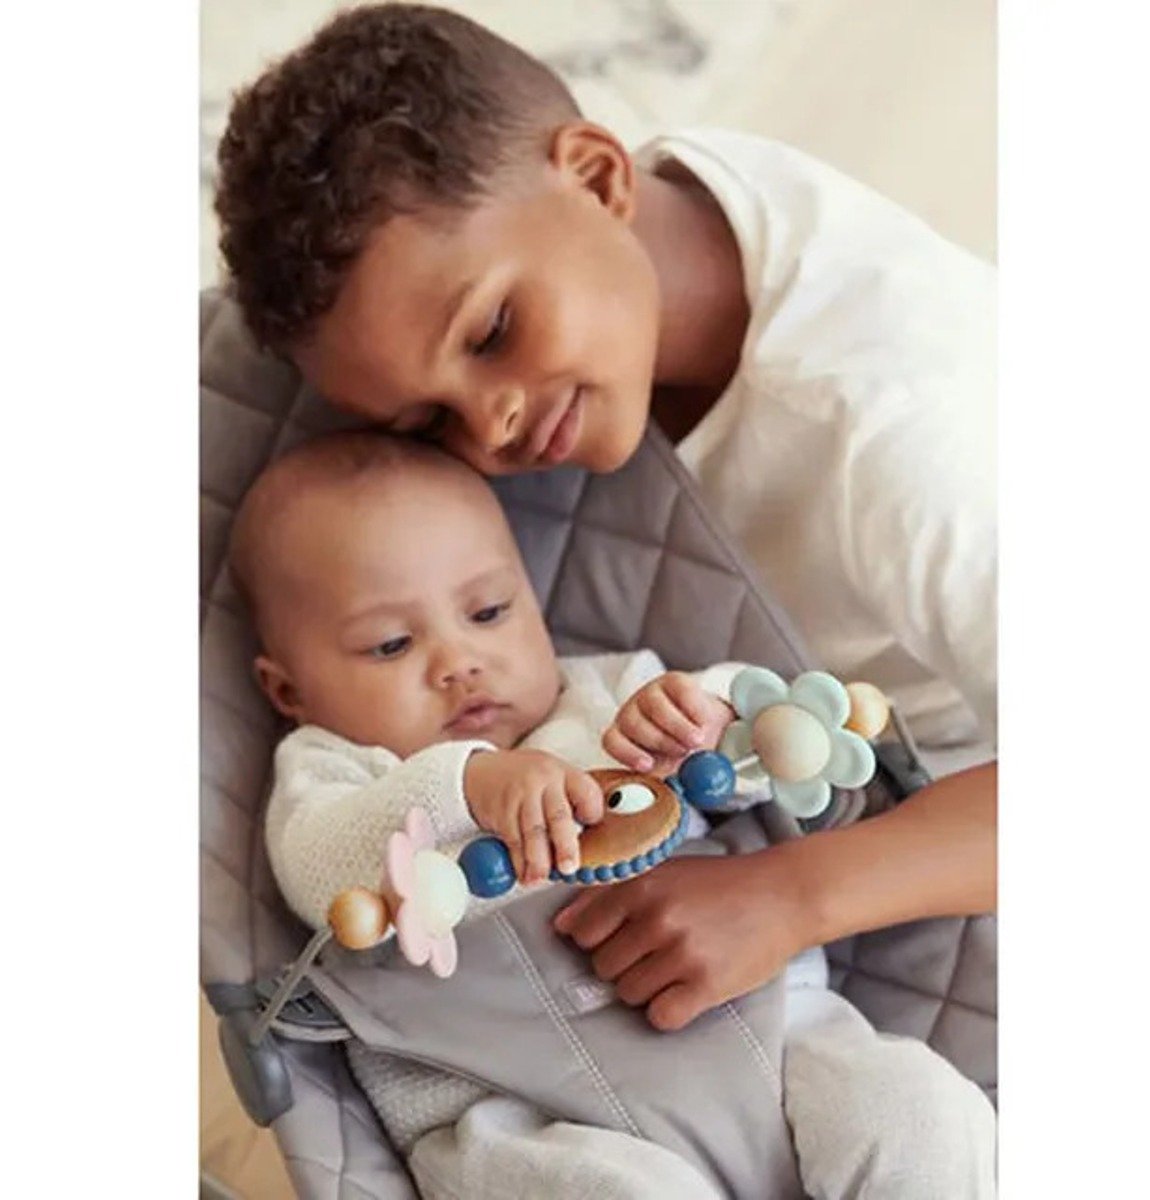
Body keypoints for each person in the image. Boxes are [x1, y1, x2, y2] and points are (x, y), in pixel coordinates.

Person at [215, 3, 997, 1191]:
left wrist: (786, 892)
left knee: (915, 1116)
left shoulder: (911, 445)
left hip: (947, 827)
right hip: (547, 1099)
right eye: (427, 421)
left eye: (491, 332)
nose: (492, 429)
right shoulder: (629, 224)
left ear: (595, 174)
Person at [230, 429, 994, 1199]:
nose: (459, 662)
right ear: (288, 690)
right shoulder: (333, 767)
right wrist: (468, 786)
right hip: (517, 1108)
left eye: (488, 612)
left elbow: (764, 755)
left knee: (918, 1107)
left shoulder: (613, 696)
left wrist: (710, 720)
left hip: (774, 1034)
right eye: (392, 645)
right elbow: (316, 866)